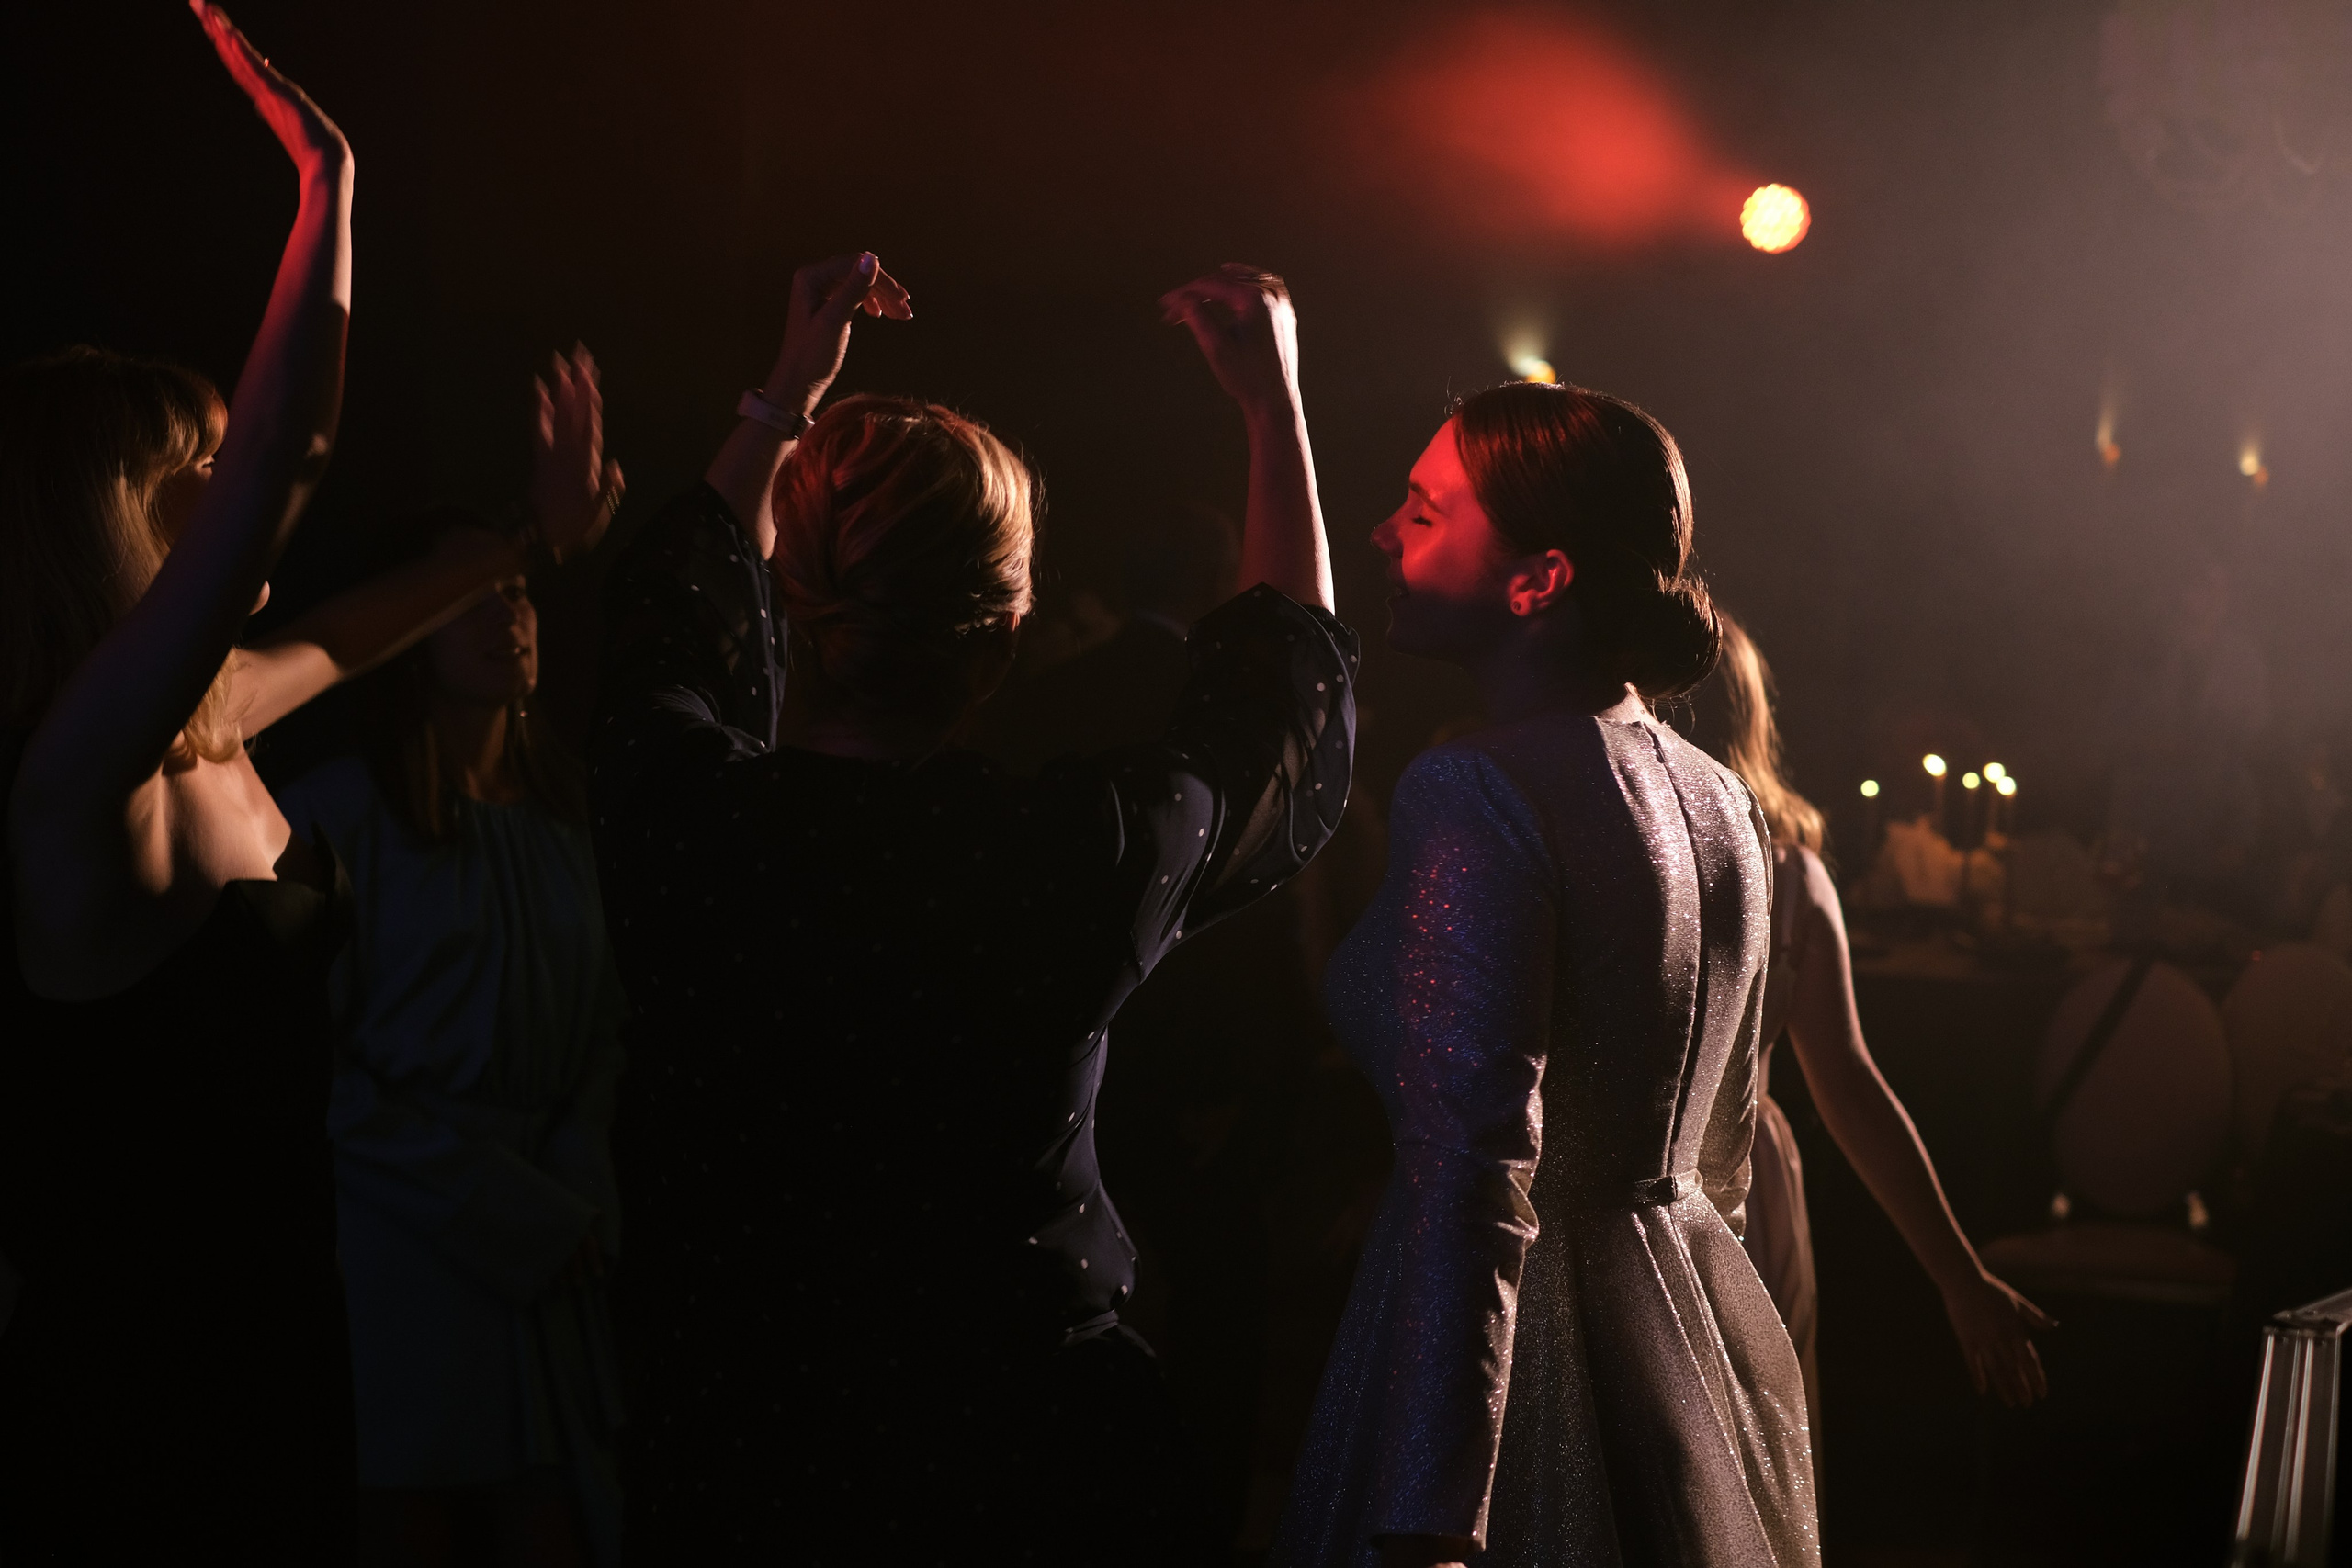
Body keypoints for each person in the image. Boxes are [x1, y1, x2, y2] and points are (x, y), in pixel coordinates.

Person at [589, 254, 1353, 1562]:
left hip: (748, 1443)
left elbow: (678, 620)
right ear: (1005, 629)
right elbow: (1281, 694)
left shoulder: (685, 815)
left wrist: (783, 399)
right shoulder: (1078, 845)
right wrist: (1273, 409)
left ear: (796, 605)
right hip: (1023, 1449)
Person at [0, 8, 616, 1557]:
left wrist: (531, 544)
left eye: (221, 449)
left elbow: (350, 634)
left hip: (287, 1311)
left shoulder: (209, 718)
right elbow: (286, 463)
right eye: (185, 465)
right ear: (103, 521)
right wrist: (328, 182)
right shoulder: (81, 768)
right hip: (138, 1372)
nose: (223, 487)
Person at [1277, 381, 1814, 1568]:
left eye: (1424, 512)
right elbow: (1725, 1138)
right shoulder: (1717, 796)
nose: (1383, 531)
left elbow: (1476, 1159)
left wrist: (1431, 1504)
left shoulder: (1478, 789)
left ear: (1539, 577)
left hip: (1509, 1375)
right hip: (1683, 1338)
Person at [277, 483, 628, 1560]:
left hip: (564, 1246)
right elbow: (311, 1072)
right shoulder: (340, 816)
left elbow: (611, 1028)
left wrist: (572, 1186)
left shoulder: (574, 817)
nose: (506, 615)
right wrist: (495, 1201)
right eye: (473, 594)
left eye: (518, 593)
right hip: (402, 1254)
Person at [980, 496, 1329, 1546]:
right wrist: (1265, 1075)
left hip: (1064, 1092)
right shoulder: (1218, 706)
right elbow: (1262, 914)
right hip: (1207, 1095)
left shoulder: (1040, 703)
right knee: (1217, 1351)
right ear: (1222, 580)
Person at [1695, 612, 2050, 1427]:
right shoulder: (1791, 874)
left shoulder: (1602, 846)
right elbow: (1849, 1090)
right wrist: (1959, 1278)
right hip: (1747, 1184)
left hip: (1632, 1181)